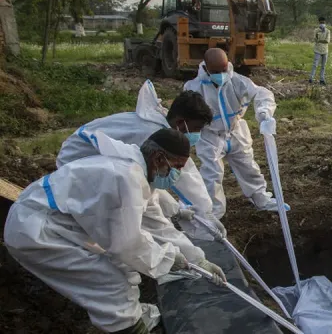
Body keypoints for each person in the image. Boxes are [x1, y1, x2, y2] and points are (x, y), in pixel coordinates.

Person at [5, 129, 227, 334]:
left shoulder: (138, 171)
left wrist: (197, 258)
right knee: (110, 282)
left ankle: (131, 317)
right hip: (37, 232)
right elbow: (127, 244)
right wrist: (169, 259)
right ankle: (128, 327)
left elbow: (157, 225)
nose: (177, 175)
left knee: (123, 268)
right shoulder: (125, 179)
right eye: (177, 167)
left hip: (57, 223)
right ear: (159, 158)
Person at [57, 81, 224, 241]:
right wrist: (205, 212)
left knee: (143, 191)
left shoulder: (162, 124)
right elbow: (185, 178)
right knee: (121, 214)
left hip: (92, 155)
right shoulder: (151, 134)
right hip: (78, 160)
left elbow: (161, 185)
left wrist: (178, 211)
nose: (197, 135)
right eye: (196, 129)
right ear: (181, 123)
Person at [185, 48, 285, 219]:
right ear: (206, 69)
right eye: (216, 72)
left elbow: (261, 93)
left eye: (224, 70)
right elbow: (186, 111)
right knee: (212, 175)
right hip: (211, 135)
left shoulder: (236, 81)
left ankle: (261, 199)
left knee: (249, 167)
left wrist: (264, 113)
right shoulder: (194, 87)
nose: (221, 75)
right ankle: (214, 213)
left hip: (236, 131)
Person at [309, 16, 331, 85]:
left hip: (325, 50)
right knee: (315, 65)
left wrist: (319, 40)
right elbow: (314, 39)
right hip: (317, 50)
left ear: (325, 22)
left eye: (323, 22)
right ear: (319, 22)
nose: (322, 24)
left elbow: (327, 41)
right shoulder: (316, 30)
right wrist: (321, 40)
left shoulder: (328, 31)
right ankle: (311, 78)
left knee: (323, 66)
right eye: (321, 22)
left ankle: (322, 79)